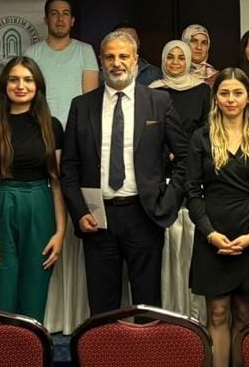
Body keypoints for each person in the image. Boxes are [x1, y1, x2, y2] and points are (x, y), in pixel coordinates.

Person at [60, 29, 189, 313]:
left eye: (123, 56)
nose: (116, 63)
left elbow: (186, 158)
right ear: (101, 61)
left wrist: (167, 202)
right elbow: (69, 167)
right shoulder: (82, 106)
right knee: (102, 308)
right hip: (97, 219)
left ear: (135, 60)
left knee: (147, 306)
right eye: (110, 57)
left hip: (144, 215)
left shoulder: (159, 102)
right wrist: (79, 211)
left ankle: (146, 346)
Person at [186, 68, 249, 367]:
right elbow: (192, 191)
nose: (231, 99)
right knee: (217, 312)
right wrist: (209, 233)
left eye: (237, 93)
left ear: (248, 98)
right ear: (216, 98)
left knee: (244, 313)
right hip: (212, 234)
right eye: (224, 93)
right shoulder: (200, 138)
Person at [0, 56, 67, 320]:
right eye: (14, 80)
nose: (21, 86)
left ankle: (31, 347)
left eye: (28, 80)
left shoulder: (52, 126)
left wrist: (60, 232)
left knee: (33, 293)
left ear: (38, 86)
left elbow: (57, 183)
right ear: (4, 85)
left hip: (40, 207)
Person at [27, 0, 100, 124]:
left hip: (76, 126)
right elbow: (27, 96)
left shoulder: (85, 51)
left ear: (72, 21)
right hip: (41, 126)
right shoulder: (31, 53)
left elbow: (90, 99)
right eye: (54, 13)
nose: (60, 19)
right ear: (46, 20)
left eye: (65, 14)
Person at [153, 39, 212, 134]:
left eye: (181, 58)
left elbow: (207, 127)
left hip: (194, 143)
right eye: (170, 57)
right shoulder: (153, 90)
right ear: (163, 59)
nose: (175, 62)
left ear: (188, 61)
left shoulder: (202, 90)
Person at [114, 21, 162, 87]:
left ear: (138, 43)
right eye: (121, 40)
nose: (125, 44)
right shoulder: (102, 74)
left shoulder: (154, 73)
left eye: (131, 40)